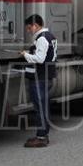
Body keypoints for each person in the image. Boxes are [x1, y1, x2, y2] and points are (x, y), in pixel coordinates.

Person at [20, 14, 57, 148]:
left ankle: (41, 137)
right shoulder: (50, 36)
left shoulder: (42, 38)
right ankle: (43, 134)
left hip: (40, 77)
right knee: (43, 107)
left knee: (39, 108)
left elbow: (40, 59)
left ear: (35, 25)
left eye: (29, 28)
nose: (28, 30)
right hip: (47, 76)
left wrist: (26, 55)